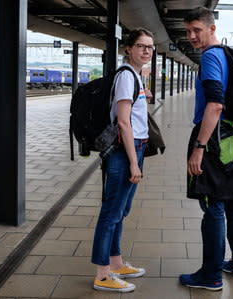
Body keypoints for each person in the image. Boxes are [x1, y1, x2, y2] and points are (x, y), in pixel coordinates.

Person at [180, 7, 233, 291]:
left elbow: (215, 104)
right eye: (188, 31)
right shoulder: (229, 54)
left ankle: (210, 275)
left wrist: (199, 147)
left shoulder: (211, 57)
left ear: (212, 28)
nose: (191, 36)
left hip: (213, 140)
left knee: (212, 207)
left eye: (197, 29)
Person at [91, 28, 154, 293]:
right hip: (124, 149)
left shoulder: (135, 76)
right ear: (128, 48)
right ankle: (103, 275)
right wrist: (134, 162)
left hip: (134, 147)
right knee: (111, 213)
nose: (146, 51)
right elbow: (124, 123)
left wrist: (145, 92)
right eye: (141, 46)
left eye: (150, 47)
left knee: (121, 211)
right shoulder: (127, 77)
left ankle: (116, 263)